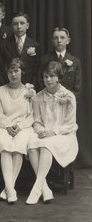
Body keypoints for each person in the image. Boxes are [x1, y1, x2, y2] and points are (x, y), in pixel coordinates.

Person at [26, 61, 78, 204]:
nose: (48, 79)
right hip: (44, 134)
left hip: (64, 135)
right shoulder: (38, 97)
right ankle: (45, 188)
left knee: (45, 146)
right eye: (45, 76)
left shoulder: (68, 96)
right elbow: (37, 120)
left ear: (58, 77)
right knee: (31, 145)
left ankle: (36, 188)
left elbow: (70, 124)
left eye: (51, 76)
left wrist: (52, 132)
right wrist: (41, 131)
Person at [0, 58, 38, 204]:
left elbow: (32, 114)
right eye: (10, 71)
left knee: (19, 145)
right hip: (5, 127)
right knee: (6, 146)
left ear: (22, 72)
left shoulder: (29, 91)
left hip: (23, 127)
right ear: (6, 73)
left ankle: (8, 188)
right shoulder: (0, 91)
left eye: (16, 71)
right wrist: (7, 125)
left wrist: (19, 126)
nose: (13, 74)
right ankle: (11, 189)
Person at [0, 12, 40, 88]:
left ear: (27, 26)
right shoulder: (3, 44)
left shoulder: (35, 45)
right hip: (8, 86)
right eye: (15, 24)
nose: (19, 27)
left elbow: (37, 70)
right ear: (11, 26)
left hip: (28, 87)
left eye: (22, 23)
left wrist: (31, 86)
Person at [40, 27, 82, 102]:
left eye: (62, 38)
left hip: (67, 101)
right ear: (52, 41)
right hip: (48, 101)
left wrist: (68, 99)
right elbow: (40, 82)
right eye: (56, 38)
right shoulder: (45, 60)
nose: (59, 40)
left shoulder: (75, 61)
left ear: (68, 41)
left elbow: (77, 87)